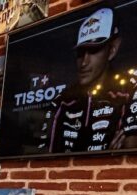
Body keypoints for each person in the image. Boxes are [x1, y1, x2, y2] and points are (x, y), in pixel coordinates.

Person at [44, 7, 129, 153]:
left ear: (112, 50)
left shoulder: (127, 93)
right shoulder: (63, 102)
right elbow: (49, 156)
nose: (84, 62)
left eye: (94, 50)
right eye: (80, 52)